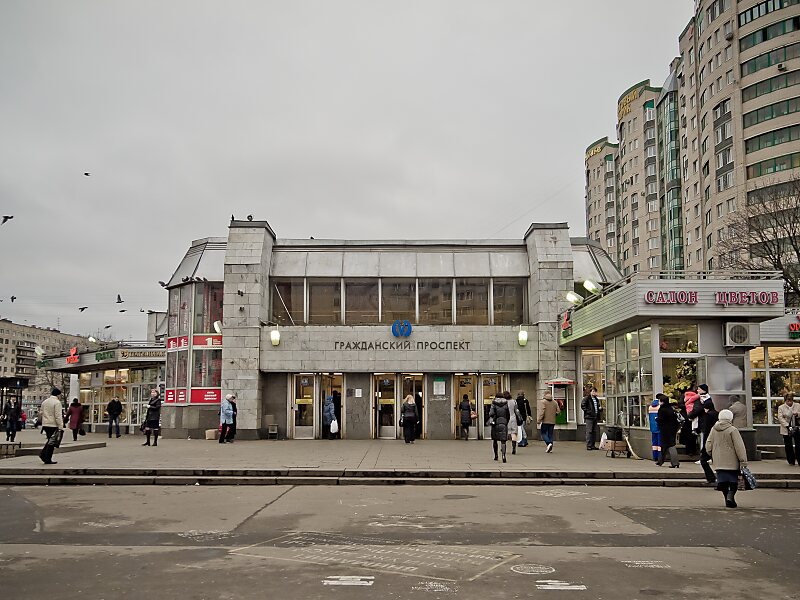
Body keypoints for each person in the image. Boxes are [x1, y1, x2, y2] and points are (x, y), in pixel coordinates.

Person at [706, 409, 748, 508]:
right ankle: (730, 496)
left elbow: (708, 444)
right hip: (732, 461)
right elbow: (739, 447)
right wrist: (743, 461)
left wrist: (712, 454)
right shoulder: (733, 430)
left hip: (718, 461)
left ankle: (727, 498)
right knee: (733, 481)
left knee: (723, 482)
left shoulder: (713, 429)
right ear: (730, 418)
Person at [39, 388, 64, 464]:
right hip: (53, 424)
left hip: (45, 424)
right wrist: (61, 426)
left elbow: (41, 413)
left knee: (50, 440)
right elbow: (58, 416)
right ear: (58, 395)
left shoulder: (45, 402)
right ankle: (46, 457)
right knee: (52, 442)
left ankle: (44, 455)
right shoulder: (57, 403)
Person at [655, 393, 680, 468]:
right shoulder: (671, 409)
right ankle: (660, 461)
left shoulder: (662, 410)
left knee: (670, 445)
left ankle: (675, 462)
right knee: (664, 446)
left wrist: (657, 419)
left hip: (665, 430)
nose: (659, 402)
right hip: (672, 429)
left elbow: (661, 420)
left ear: (662, 402)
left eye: (660, 401)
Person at [777, 393, 800, 466]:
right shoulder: (781, 407)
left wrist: (797, 414)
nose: (789, 402)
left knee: (798, 444)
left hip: (796, 427)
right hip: (786, 428)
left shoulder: (798, 405)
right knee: (788, 445)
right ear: (785, 400)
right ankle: (791, 460)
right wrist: (787, 425)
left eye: (791, 401)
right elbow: (780, 418)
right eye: (788, 401)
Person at [488, 393, 511, 462]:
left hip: (495, 423)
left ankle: (496, 456)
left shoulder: (494, 403)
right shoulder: (506, 403)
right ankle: (503, 456)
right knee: (503, 441)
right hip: (503, 422)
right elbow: (508, 414)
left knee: (495, 440)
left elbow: (491, 413)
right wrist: (506, 421)